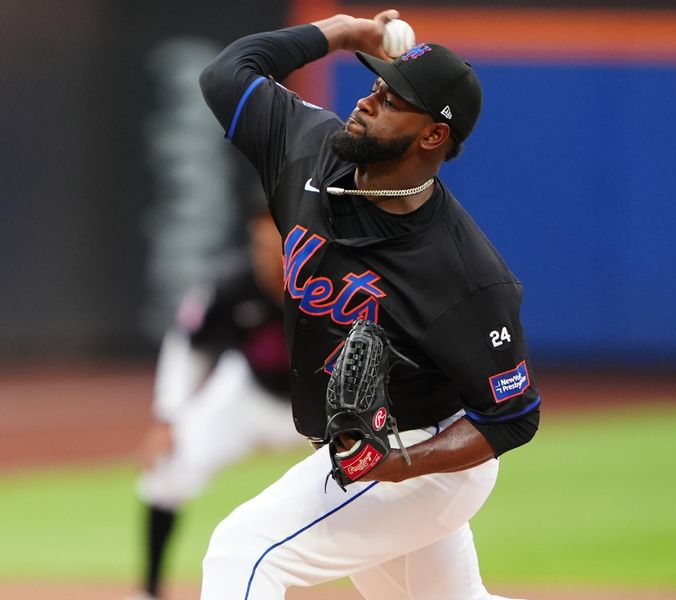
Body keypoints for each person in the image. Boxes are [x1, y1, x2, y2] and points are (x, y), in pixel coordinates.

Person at [197, 8, 541, 599]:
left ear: (434, 135)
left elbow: (512, 417)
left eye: (391, 100)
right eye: (376, 86)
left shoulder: (466, 275)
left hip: (421, 460)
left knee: (246, 551)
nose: (367, 101)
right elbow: (229, 72)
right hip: (365, 450)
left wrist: (397, 467)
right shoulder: (307, 150)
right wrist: (342, 32)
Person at [131, 212, 303, 600]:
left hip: (316, 405)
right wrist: (167, 417)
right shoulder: (231, 284)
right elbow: (187, 344)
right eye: (261, 245)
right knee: (167, 469)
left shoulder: (326, 284)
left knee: (368, 483)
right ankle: (150, 591)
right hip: (248, 393)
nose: (269, 256)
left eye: (279, 247)